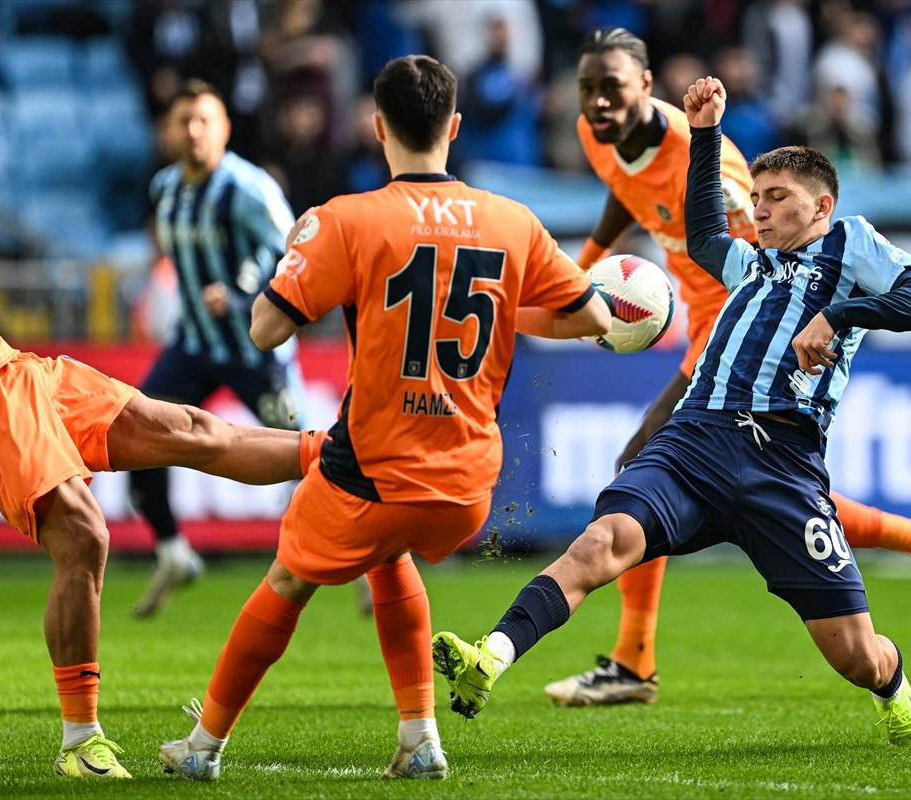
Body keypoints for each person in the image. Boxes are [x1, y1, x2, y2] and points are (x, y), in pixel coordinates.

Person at [432, 76, 911, 748]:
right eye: (757, 198)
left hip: (782, 463)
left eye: (777, 199)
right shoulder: (750, 265)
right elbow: (704, 233)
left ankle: (891, 682)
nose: (759, 212)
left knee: (857, 655)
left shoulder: (849, 244)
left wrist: (841, 313)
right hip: (695, 440)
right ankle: (490, 659)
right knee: (600, 541)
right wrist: (703, 133)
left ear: (821, 205)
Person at [156, 54, 611, 782]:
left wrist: (301, 266)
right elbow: (590, 315)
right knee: (388, 552)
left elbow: (265, 332)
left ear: (377, 129)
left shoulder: (346, 219)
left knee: (286, 582)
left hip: (372, 467)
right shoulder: (513, 221)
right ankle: (420, 738)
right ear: (455, 127)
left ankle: (202, 747)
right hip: (468, 487)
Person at [544, 27, 911, 709]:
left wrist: (814, 319)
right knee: (746, 486)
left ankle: (633, 662)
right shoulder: (598, 135)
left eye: (613, 88)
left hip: (733, 325)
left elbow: (757, 247)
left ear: (647, 88)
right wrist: (587, 261)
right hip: (695, 316)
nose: (599, 102)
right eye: (589, 89)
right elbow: (622, 186)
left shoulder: (712, 166)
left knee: (647, 468)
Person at [0, 207, 328, 779]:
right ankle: (80, 739)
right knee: (83, 536)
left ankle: (340, 453)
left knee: (191, 430)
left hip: (16, 366)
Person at [131, 79, 307, 618]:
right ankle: (173, 551)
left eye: (204, 120)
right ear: (168, 132)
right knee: (138, 432)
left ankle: (373, 563)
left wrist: (241, 293)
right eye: (183, 121)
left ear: (225, 128)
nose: (193, 131)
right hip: (194, 345)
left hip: (256, 350)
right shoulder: (165, 188)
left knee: (313, 457)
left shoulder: (248, 188)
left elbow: (296, 247)